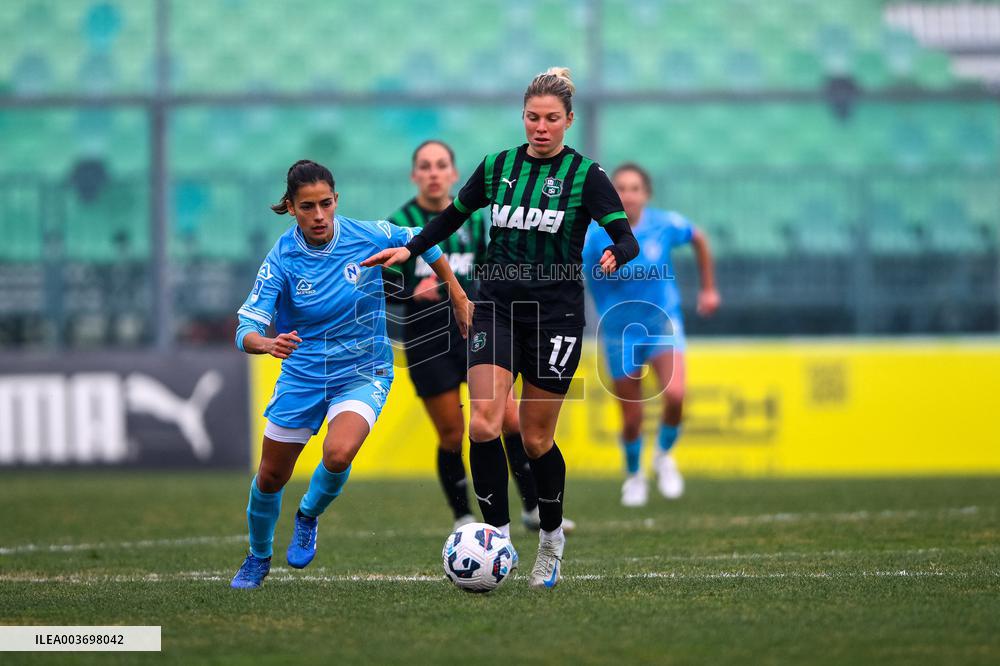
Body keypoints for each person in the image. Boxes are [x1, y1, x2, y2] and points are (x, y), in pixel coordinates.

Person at [363, 68, 638, 589]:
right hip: (495, 306)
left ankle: (551, 542)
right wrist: (412, 248)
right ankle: (498, 538)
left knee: (536, 439)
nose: (541, 127)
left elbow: (626, 237)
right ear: (523, 117)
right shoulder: (498, 167)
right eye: (533, 117)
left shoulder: (587, 176)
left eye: (551, 119)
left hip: (555, 316)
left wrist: (614, 254)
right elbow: (449, 216)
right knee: (484, 424)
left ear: (568, 121)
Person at [230, 159, 469, 589]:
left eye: (325, 204)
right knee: (270, 476)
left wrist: (455, 291)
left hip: (365, 368)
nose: (318, 215)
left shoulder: (367, 234)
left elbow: (426, 239)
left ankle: (307, 515)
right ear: (291, 207)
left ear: (336, 200)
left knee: (339, 453)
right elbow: (246, 327)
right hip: (303, 375)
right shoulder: (282, 259)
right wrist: (267, 343)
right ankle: (258, 556)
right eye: (307, 207)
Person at [384, 140, 575, 533]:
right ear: (414, 175)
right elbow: (386, 285)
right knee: (453, 433)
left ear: (454, 173)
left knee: (508, 420)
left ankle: (531, 509)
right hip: (428, 341)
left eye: (441, 165)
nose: (433, 173)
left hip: (480, 330)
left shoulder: (473, 220)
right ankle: (464, 517)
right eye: (425, 166)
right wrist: (416, 291)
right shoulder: (400, 222)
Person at [583, 163, 720, 507]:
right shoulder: (595, 236)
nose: (628, 195)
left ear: (646, 194)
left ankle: (663, 456)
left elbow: (699, 238)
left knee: (675, 394)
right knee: (632, 417)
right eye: (621, 189)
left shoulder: (665, 224)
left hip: (662, 323)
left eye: (634, 188)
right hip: (619, 332)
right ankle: (634, 476)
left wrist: (708, 289)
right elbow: (576, 273)